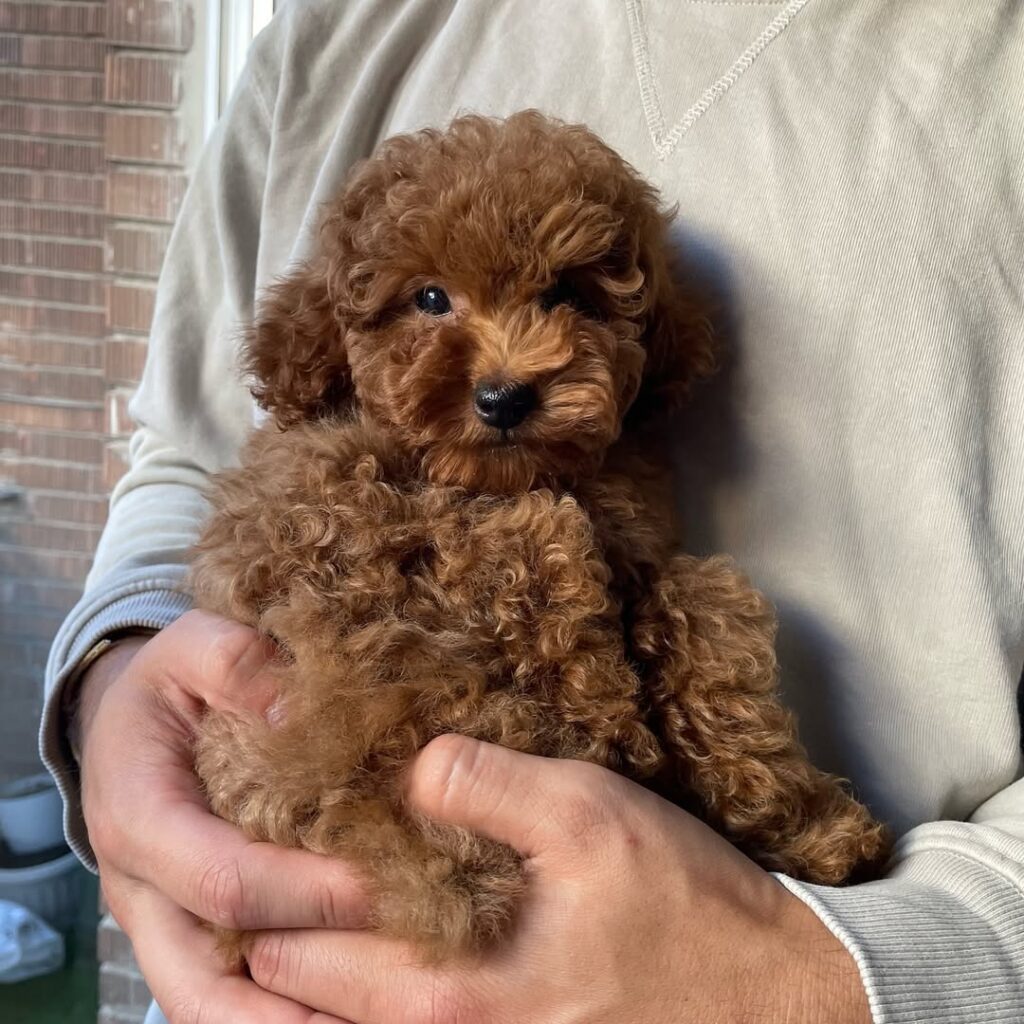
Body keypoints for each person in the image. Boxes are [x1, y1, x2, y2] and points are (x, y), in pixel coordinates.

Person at [42, 2, 1024, 1021]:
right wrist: (116, 680)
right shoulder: (330, 31)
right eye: (432, 304)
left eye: (567, 299)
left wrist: (824, 976)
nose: (507, 366)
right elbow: (184, 457)